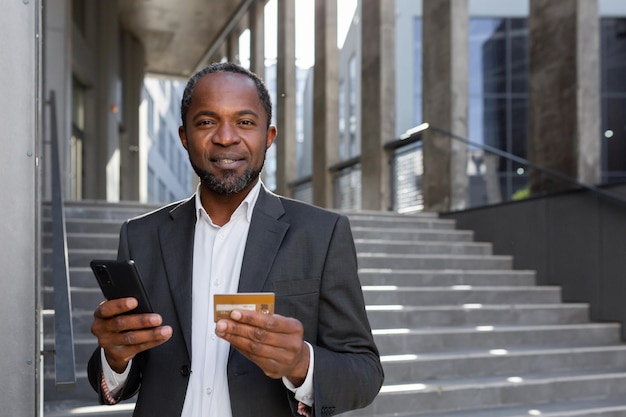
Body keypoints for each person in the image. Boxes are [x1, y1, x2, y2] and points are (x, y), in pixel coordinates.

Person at [88, 62, 384, 417]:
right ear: (184, 137)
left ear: (268, 137)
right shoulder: (140, 235)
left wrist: (301, 362)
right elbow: (123, 369)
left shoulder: (321, 234)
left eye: (244, 122)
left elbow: (365, 372)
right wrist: (115, 356)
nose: (226, 137)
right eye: (207, 122)